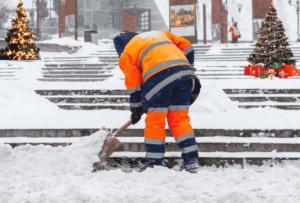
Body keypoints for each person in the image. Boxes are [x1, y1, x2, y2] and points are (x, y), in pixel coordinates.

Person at [114, 31, 201, 173]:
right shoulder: (158, 34)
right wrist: (189, 65)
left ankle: (154, 164)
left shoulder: (127, 53)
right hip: (185, 77)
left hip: (158, 80)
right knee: (179, 120)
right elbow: (187, 47)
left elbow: (134, 86)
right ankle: (191, 159)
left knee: (156, 122)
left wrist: (136, 111)